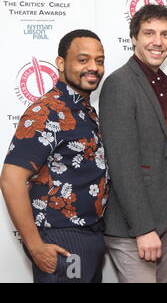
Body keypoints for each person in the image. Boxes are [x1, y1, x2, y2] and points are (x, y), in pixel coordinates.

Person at [0, 29, 108, 283]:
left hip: (90, 234)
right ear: (61, 63)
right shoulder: (47, 111)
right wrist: (36, 246)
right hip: (62, 238)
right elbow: (10, 180)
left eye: (99, 60)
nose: (93, 67)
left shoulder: (84, 109)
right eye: (83, 60)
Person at [98, 4, 167, 283]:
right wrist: (143, 228)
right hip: (134, 229)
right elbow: (122, 162)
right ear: (134, 38)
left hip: (165, 224)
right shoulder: (120, 83)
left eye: (165, 35)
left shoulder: (162, 84)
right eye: (149, 33)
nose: (158, 41)